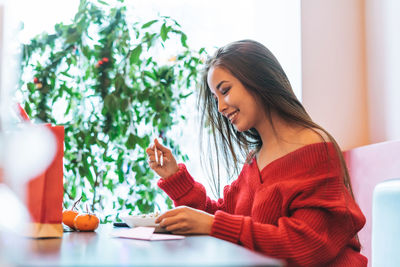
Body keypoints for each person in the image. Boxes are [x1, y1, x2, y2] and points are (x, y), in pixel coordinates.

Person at [146, 39, 367, 266]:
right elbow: (220, 217)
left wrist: (213, 225)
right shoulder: (257, 159)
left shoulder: (314, 147)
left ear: (259, 80)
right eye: (216, 98)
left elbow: (306, 244)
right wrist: (175, 177)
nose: (221, 107)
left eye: (225, 90)